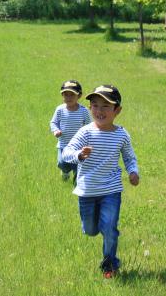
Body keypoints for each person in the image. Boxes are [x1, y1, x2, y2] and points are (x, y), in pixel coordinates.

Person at [62, 85, 139, 279]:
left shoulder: (121, 135)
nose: (99, 111)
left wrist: (133, 172)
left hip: (111, 190)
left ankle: (109, 264)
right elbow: (66, 152)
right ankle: (92, 227)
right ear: (89, 108)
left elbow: (129, 157)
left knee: (110, 229)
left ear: (117, 110)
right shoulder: (85, 132)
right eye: (95, 105)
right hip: (87, 190)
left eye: (106, 106)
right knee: (90, 230)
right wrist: (79, 155)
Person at [50, 80, 91, 181]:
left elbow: (89, 125)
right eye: (66, 95)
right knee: (61, 162)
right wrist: (56, 130)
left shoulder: (83, 111)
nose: (68, 98)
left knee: (78, 165)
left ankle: (76, 183)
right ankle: (65, 171)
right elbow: (53, 122)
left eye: (72, 95)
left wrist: (89, 139)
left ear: (79, 96)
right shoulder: (60, 109)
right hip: (63, 144)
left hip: (79, 145)